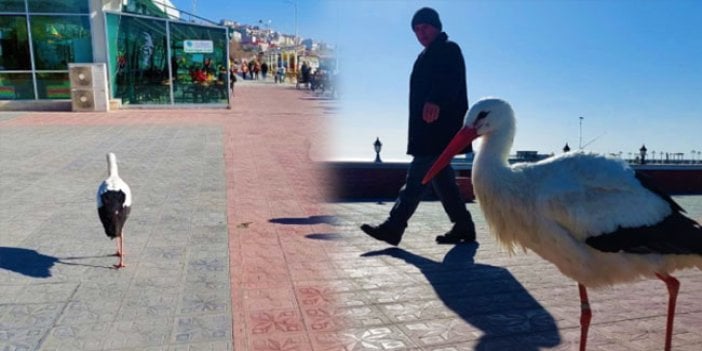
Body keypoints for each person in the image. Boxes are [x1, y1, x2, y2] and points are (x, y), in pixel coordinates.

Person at [361, 7, 475, 246]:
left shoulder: (449, 49)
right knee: (442, 181)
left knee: (416, 179)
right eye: (416, 30)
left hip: (439, 130)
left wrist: (436, 100)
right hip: (426, 130)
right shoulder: (424, 56)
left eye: (424, 27)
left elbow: (451, 81)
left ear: (436, 26)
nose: (420, 33)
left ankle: (394, 227)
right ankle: (463, 225)